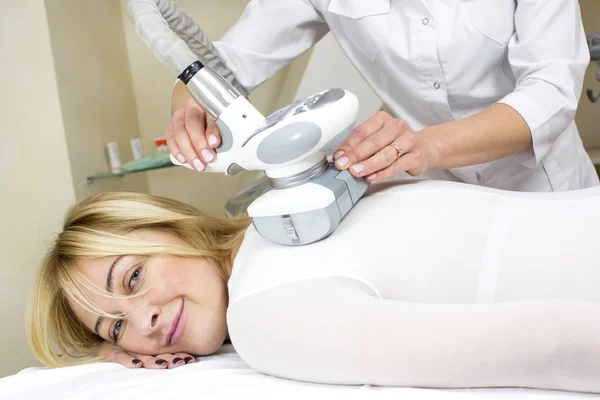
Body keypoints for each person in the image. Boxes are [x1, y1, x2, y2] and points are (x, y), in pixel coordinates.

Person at [28, 179, 600, 392]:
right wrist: (114, 349)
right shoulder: (295, 211)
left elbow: (557, 345)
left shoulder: (261, 318)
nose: (144, 321)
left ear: (170, 228)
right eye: (118, 326)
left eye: (133, 276)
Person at [166, 0, 598, 192]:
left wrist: (426, 145)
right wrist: (188, 100)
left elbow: (551, 90)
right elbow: (226, 61)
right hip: (440, 195)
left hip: (548, 187)